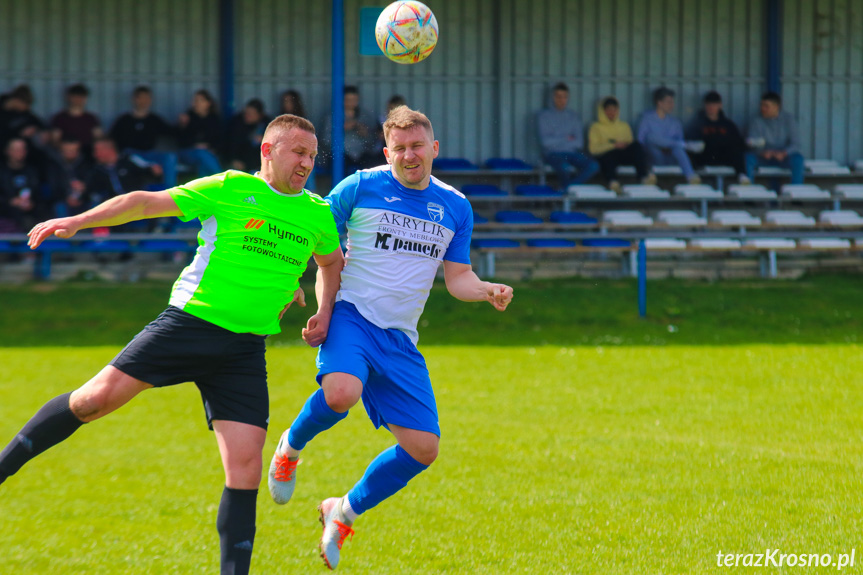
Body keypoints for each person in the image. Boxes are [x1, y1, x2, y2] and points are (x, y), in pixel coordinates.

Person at [0, 114, 343, 575]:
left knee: (245, 470)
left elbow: (330, 262)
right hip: (188, 326)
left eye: (311, 155)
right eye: (297, 152)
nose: (306, 162)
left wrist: (322, 309)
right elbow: (145, 202)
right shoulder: (229, 187)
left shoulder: (317, 213)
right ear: (268, 151)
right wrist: (80, 220)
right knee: (91, 401)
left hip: (243, 353)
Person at [267, 105, 514, 571]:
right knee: (341, 393)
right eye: (399, 148)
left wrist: (485, 291)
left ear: (434, 148)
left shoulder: (456, 206)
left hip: (400, 337)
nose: (409, 155)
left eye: (417, 146)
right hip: (353, 316)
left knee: (424, 448)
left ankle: (342, 511)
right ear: (387, 151)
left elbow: (458, 276)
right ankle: (290, 448)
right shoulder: (358, 188)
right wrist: (320, 309)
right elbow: (323, 255)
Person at [109, 85, 178, 188]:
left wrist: (183, 123)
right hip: (130, 154)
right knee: (131, 157)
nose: (144, 101)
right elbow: (111, 138)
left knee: (169, 157)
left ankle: (170, 190)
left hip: (150, 154)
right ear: (135, 99)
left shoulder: (154, 119)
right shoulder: (124, 120)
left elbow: (173, 133)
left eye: (147, 98)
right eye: (141, 97)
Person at [536, 82, 599, 190]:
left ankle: (567, 189)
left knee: (593, 166)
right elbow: (545, 143)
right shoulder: (543, 116)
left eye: (565, 97)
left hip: (572, 153)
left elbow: (579, 143)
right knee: (564, 168)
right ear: (552, 97)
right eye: (558, 96)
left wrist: (556, 139)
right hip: (553, 154)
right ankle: (568, 194)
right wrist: (567, 138)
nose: (561, 100)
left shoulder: (573, 116)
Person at [587, 96, 652, 193]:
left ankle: (643, 177)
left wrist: (623, 145)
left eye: (614, 110)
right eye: (609, 110)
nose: (612, 113)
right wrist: (613, 145)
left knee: (637, 146)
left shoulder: (624, 126)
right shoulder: (595, 127)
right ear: (602, 111)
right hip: (606, 156)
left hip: (622, 156)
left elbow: (630, 143)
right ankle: (613, 183)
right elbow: (593, 149)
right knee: (609, 156)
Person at [637, 87, 700, 184]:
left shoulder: (675, 122)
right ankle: (687, 145)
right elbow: (640, 142)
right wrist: (664, 145)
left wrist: (669, 146)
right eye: (669, 102)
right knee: (650, 137)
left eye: (672, 102)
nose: (672, 105)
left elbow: (679, 141)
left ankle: (691, 177)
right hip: (654, 156)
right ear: (659, 102)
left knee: (678, 147)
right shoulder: (646, 119)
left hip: (671, 157)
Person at [686, 91, 749, 184]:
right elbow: (690, 142)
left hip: (724, 158)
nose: (711, 107)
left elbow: (738, 141)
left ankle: (742, 176)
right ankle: (694, 179)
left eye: (714, 104)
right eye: (709, 104)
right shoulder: (697, 124)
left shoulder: (728, 125)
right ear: (705, 106)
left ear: (720, 105)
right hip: (705, 158)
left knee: (736, 149)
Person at [744, 91, 805, 185]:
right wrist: (762, 152)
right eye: (762, 105)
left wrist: (784, 153)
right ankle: (748, 193)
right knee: (747, 158)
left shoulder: (789, 120)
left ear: (776, 107)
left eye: (766, 106)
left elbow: (796, 144)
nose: (762, 108)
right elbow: (750, 142)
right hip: (763, 157)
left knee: (798, 159)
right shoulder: (756, 121)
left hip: (784, 158)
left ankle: (796, 193)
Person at [83, 137, 163, 207]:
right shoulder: (97, 170)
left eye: (97, 150)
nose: (95, 155)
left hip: (137, 201)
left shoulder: (129, 159)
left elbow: (149, 168)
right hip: (114, 207)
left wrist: (154, 169)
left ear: (108, 149)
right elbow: (91, 191)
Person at [322, 85, 379, 173]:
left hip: (361, 154)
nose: (351, 103)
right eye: (348, 100)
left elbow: (373, 141)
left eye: (354, 100)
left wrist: (365, 134)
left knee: (373, 164)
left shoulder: (365, 116)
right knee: (338, 163)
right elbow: (325, 140)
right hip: (340, 155)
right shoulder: (332, 116)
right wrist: (340, 129)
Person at [0, 137, 46, 233]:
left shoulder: (33, 171)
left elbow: (40, 195)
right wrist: (10, 201)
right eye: (16, 150)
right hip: (5, 213)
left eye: (22, 149)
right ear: (7, 151)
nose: (20, 152)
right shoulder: (2, 172)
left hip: (30, 213)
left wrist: (32, 203)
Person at [177, 89, 223, 178]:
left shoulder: (214, 119)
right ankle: (222, 180)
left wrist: (210, 148)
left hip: (208, 154)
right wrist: (182, 126)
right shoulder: (188, 117)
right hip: (188, 153)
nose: (196, 103)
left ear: (208, 103)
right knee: (202, 155)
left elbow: (219, 141)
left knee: (204, 163)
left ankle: (206, 190)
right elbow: (181, 142)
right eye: (195, 101)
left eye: (200, 100)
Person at [49, 83, 103, 155]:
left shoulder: (91, 119)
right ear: (69, 97)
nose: (78, 100)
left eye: (81, 97)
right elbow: (55, 140)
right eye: (75, 97)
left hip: (88, 156)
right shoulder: (60, 118)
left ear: (85, 99)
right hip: (66, 156)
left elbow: (99, 139)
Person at [228, 98, 270, 173]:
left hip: (259, 166)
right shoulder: (237, 123)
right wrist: (234, 159)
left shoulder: (267, 125)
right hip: (239, 163)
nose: (247, 116)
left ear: (259, 115)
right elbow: (230, 144)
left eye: (251, 114)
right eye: (246, 113)